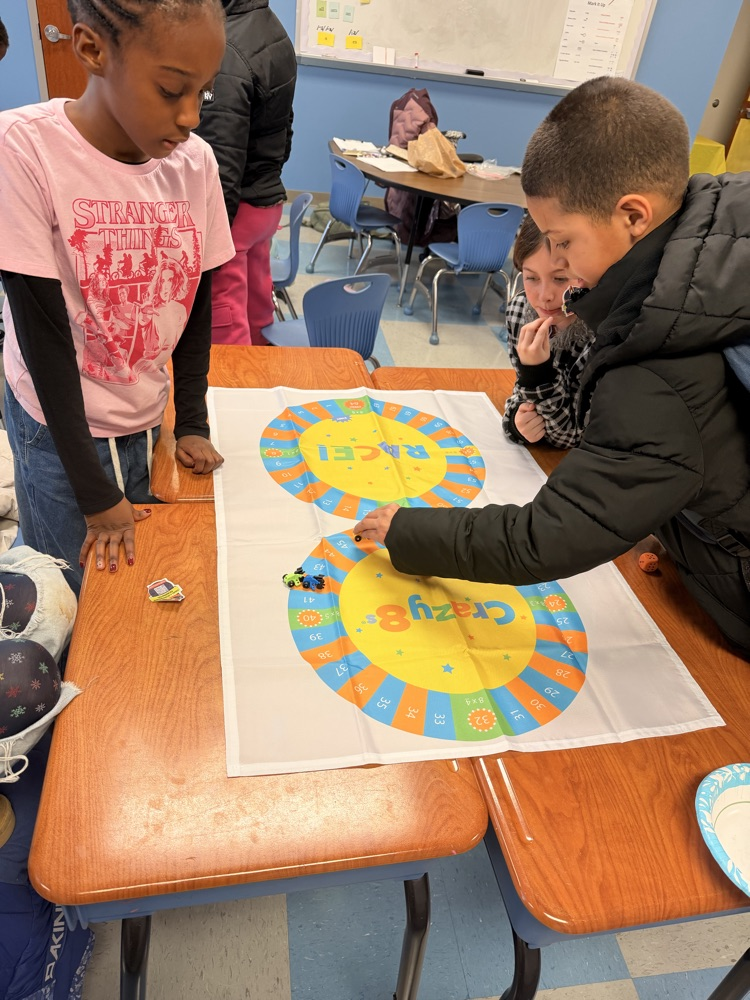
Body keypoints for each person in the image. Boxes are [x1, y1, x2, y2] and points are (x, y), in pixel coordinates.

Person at [354, 76, 750, 657]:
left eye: (563, 244)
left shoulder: (659, 363)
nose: (560, 269)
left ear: (634, 217)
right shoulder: (722, 223)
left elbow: (550, 535)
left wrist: (411, 532)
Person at [0, 0, 235, 594]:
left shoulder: (195, 164)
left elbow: (195, 301)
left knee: (132, 579)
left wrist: (192, 421)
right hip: (57, 428)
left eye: (202, 94)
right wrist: (94, 490)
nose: (191, 117)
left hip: (143, 412)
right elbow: (42, 338)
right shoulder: (22, 150)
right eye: (170, 90)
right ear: (91, 50)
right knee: (69, 588)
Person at [195, 0, 297, 347]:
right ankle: (262, 383)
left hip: (235, 211)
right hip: (265, 201)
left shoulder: (227, 50)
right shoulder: (273, 28)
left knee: (226, 320)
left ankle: (240, 392)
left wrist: (212, 239)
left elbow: (221, 155)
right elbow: (286, 123)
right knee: (257, 310)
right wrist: (270, 174)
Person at [503, 214, 594, 448]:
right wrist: (517, 422)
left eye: (560, 278)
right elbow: (521, 394)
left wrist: (538, 373)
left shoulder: (599, 331)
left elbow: (571, 436)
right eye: (531, 277)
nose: (544, 296)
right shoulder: (520, 310)